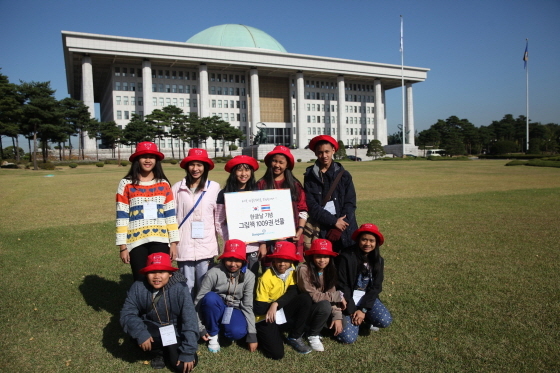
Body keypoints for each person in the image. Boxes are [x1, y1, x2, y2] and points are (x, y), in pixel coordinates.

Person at [120, 253, 199, 372]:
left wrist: (188, 351)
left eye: (162, 272)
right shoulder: (138, 287)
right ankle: (159, 353)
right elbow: (127, 313)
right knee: (136, 336)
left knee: (182, 367)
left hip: (175, 330)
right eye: (152, 272)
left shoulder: (180, 288)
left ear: (170, 273)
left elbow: (190, 319)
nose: (157, 276)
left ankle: (168, 349)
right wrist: (140, 332)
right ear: (146, 273)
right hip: (152, 327)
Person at [116, 141, 179, 281]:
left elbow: (170, 215)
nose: (148, 160)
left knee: (160, 280)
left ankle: (159, 304)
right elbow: (122, 216)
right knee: (140, 280)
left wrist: (173, 243)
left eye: (151, 156)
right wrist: (122, 246)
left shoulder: (163, 183)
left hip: (161, 240)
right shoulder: (126, 184)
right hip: (136, 240)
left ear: (156, 160)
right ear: (137, 159)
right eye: (144, 156)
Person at [172, 148, 221, 298]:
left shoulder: (214, 188)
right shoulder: (177, 188)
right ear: (187, 166)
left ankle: (201, 318)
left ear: (205, 167)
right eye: (192, 165)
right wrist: (172, 243)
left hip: (206, 245)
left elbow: (219, 217)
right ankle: (187, 317)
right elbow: (171, 218)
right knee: (186, 286)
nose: (195, 169)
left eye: (199, 165)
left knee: (204, 286)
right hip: (184, 245)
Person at [194, 239, 258, 353]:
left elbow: (248, 305)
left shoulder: (249, 276)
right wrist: (199, 327)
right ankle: (213, 334)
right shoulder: (213, 272)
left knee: (237, 332)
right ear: (223, 259)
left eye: (237, 260)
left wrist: (252, 334)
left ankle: (223, 328)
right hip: (216, 306)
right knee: (209, 298)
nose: (233, 264)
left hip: (234, 308)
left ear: (244, 261)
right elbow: (199, 300)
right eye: (229, 259)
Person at [254, 241, 313, 359]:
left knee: (305, 299)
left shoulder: (291, 270)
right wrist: (273, 307)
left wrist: (276, 304)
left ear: (291, 261)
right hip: (264, 317)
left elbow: (293, 290)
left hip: (278, 309)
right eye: (279, 260)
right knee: (277, 354)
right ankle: (260, 335)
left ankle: (294, 336)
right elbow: (259, 308)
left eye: (286, 260)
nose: (282, 264)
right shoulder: (265, 278)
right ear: (273, 260)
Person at [335, 223, 392, 344]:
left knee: (384, 320)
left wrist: (363, 310)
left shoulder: (378, 261)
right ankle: (352, 319)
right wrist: (352, 310)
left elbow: (376, 287)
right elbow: (342, 284)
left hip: (365, 299)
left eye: (371, 240)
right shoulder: (346, 257)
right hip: (347, 300)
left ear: (376, 243)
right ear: (358, 240)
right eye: (364, 239)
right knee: (348, 338)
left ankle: (365, 318)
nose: (367, 244)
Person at [304, 135, 358, 252]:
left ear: (333, 150)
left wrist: (339, 227)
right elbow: (311, 205)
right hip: (322, 229)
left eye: (327, 151)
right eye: (320, 152)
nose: (324, 156)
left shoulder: (344, 175)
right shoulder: (309, 176)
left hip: (345, 229)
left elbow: (350, 203)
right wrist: (333, 222)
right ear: (315, 153)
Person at [256, 145, 308, 264]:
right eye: (274, 161)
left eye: (281, 162)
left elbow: (303, 209)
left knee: (291, 271)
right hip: (268, 237)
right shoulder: (261, 185)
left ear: (287, 164)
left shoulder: (295, 185)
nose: (277, 165)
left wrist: (300, 229)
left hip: (292, 236)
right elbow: (257, 215)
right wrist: (262, 243)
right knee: (269, 270)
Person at [296, 239, 346, 351]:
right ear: (312, 256)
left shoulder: (329, 270)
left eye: (326, 257)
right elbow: (314, 296)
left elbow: (332, 292)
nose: (322, 260)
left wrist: (337, 316)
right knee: (324, 306)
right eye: (318, 256)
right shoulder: (303, 269)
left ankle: (316, 327)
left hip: (322, 307)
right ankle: (312, 334)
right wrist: (337, 296)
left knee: (343, 321)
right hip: (306, 308)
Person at [216, 155, 261, 276]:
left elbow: (263, 218)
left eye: (247, 170)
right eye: (239, 170)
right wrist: (229, 238)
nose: (243, 173)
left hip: (253, 246)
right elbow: (219, 221)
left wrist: (261, 242)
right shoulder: (224, 193)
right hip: (233, 246)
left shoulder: (257, 192)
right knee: (233, 277)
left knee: (252, 277)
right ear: (233, 172)